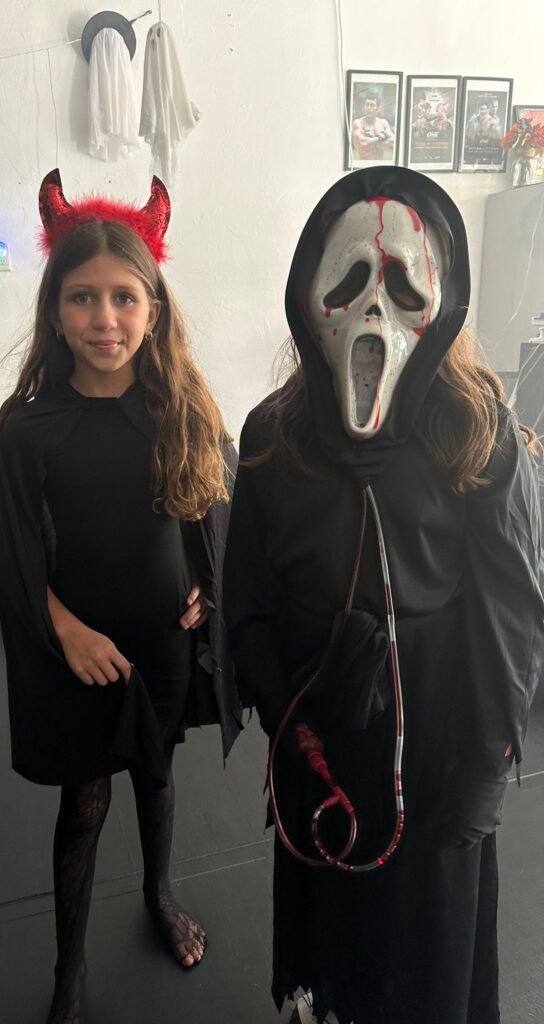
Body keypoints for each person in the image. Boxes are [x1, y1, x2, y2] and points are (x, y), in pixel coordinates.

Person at [223, 166, 544, 1024]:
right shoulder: (273, 434)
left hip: (438, 738)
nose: (375, 314)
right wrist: (285, 709)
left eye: (404, 287)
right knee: (333, 921)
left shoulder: (477, 431)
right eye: (352, 282)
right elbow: (246, 590)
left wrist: (487, 764)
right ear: (310, 297)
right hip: (319, 724)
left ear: (443, 306)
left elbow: (513, 612)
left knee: (428, 942)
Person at [0, 169, 241, 1024]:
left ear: (153, 310)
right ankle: (69, 967)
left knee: (158, 778)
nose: (105, 319)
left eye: (125, 298)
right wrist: (66, 632)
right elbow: (17, 558)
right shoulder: (30, 429)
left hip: (162, 639)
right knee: (84, 803)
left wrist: (205, 582)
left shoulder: (180, 410)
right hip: (82, 652)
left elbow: (213, 506)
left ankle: (159, 894)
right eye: (83, 298)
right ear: (55, 312)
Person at [350, 91, 395, 161]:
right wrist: (380, 137)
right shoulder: (357, 123)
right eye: (367, 105)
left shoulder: (383, 123)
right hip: (363, 165)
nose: (368, 108)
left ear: (378, 108)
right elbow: (362, 144)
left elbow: (392, 142)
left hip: (379, 165)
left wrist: (370, 141)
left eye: (372, 105)